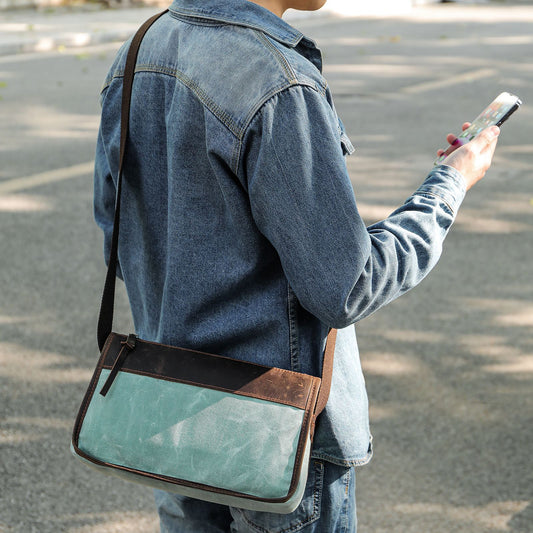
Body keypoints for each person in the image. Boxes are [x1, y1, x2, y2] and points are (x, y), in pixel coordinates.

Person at [93, 0, 499, 531]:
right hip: (277, 435)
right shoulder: (278, 81)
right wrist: (448, 186)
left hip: (170, 419)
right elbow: (347, 285)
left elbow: (121, 244)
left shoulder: (139, 50)